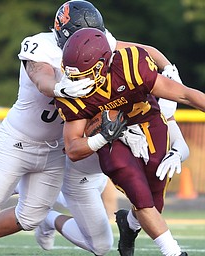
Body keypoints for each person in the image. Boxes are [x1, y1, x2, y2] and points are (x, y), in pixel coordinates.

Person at [0, 1, 188, 256]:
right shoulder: (41, 46)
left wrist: (167, 67)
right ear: (62, 34)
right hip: (19, 140)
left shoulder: (98, 42)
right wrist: (61, 87)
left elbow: (142, 49)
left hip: (56, 151)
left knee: (30, 217)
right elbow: (40, 77)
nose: (87, 44)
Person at [56, 27, 205, 256]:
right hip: (109, 137)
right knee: (135, 187)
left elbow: (185, 95)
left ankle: (129, 224)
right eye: (73, 73)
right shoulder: (74, 94)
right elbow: (73, 148)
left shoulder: (131, 66)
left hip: (147, 123)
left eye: (84, 73)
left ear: (103, 64)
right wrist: (102, 138)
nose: (77, 80)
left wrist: (176, 152)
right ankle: (174, 253)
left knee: (154, 203)